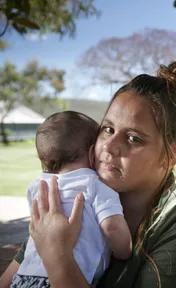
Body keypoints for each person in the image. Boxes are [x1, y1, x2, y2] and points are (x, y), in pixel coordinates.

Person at [0, 58, 176, 288]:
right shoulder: (70, 200)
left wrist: (57, 254)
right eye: (108, 129)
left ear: (172, 155)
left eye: (133, 138)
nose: (108, 146)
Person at [9, 111, 132, 288]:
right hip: (66, 277)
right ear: (92, 153)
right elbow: (112, 227)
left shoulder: (36, 187)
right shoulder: (95, 186)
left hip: (22, 277)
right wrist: (124, 251)